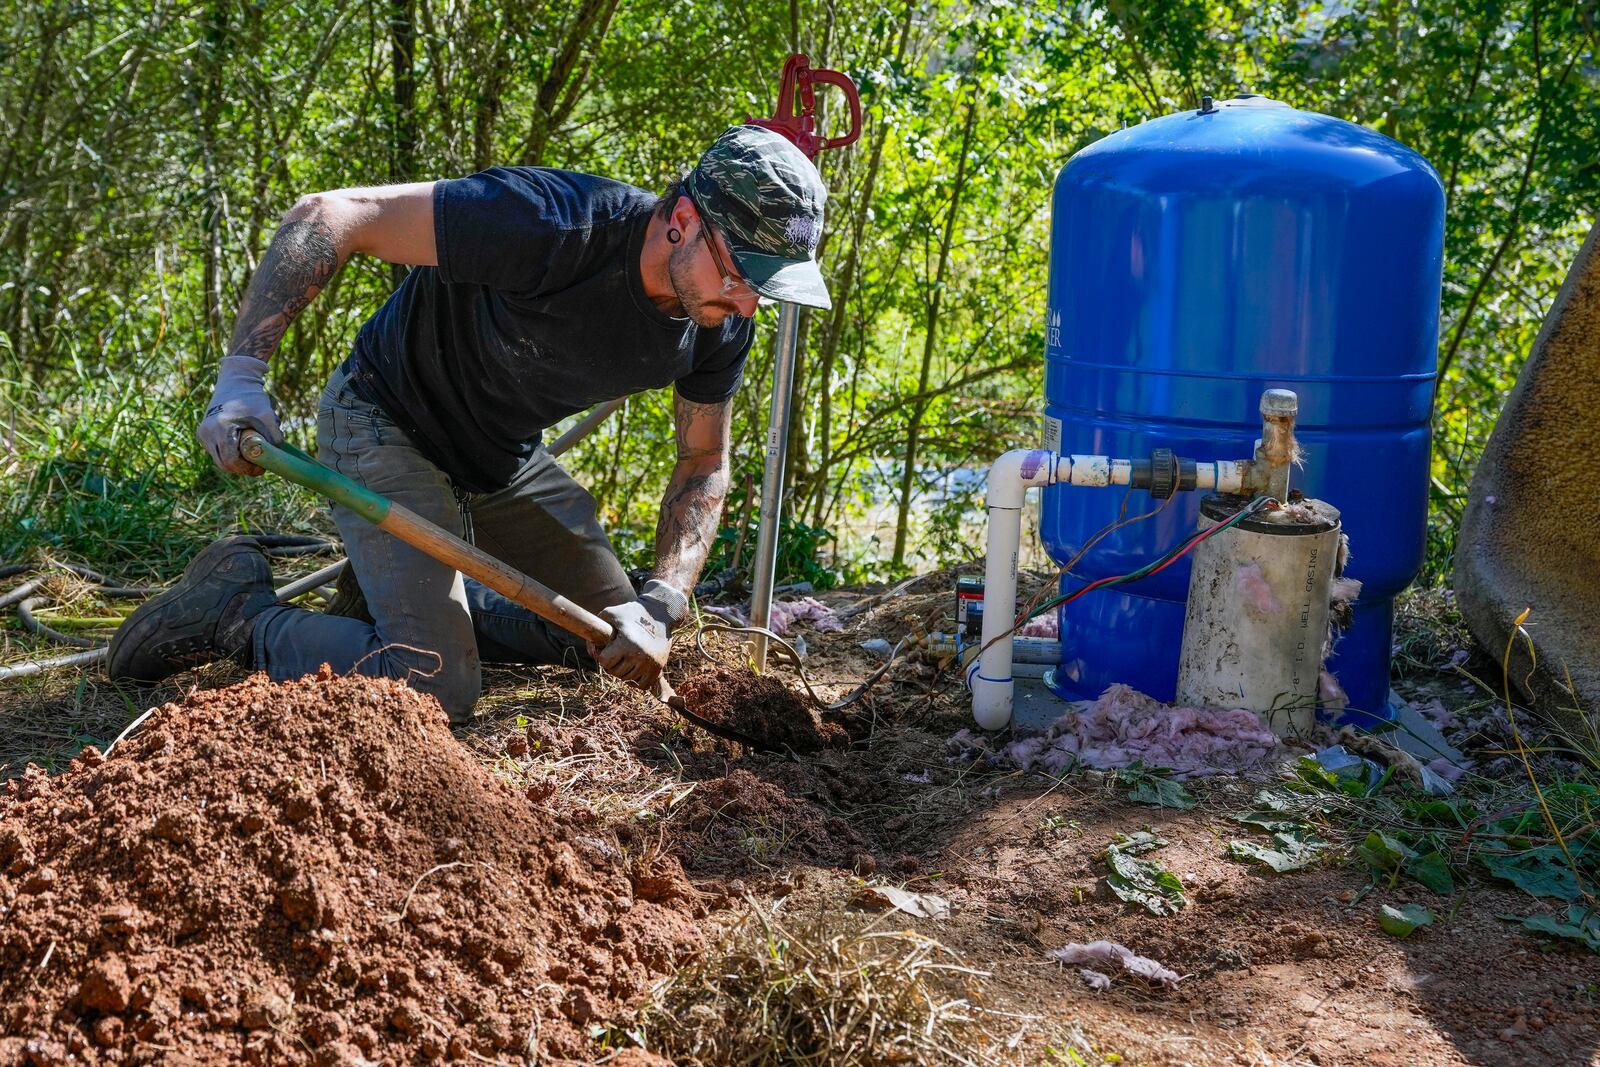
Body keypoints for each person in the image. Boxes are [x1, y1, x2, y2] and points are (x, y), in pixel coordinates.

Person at [108, 125, 830, 723]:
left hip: (499, 458)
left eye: (765, 289)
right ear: (681, 223)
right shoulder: (550, 222)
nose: (746, 307)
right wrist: (241, 377)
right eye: (740, 275)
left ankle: (423, 604)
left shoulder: (718, 323)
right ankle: (237, 614)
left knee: (611, 640)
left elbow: (704, 460)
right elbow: (332, 214)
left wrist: (661, 603)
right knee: (437, 689)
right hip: (386, 420)